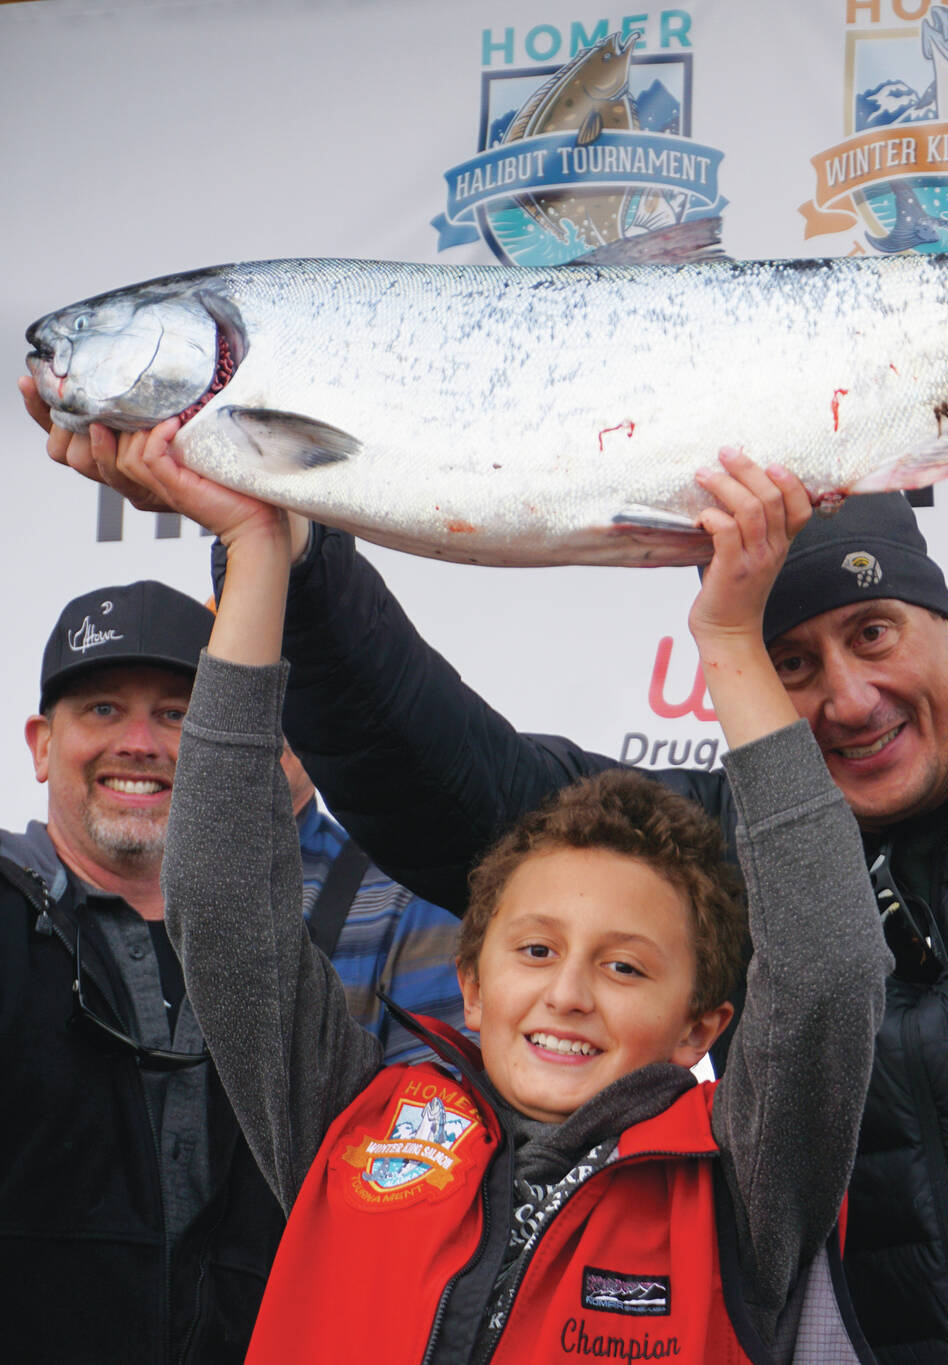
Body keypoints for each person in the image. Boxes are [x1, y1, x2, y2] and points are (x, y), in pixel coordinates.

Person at [27, 191, 948, 1363]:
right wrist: (276, 530)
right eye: (789, 660)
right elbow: (425, 782)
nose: (848, 695)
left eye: (873, 637)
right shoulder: (706, 860)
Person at [141, 435, 890, 1361]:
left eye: (624, 965)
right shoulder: (344, 1118)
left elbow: (828, 967)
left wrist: (732, 640)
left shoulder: (745, 1184)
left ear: (703, 1025)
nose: (567, 991)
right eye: (535, 950)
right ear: (470, 981)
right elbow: (221, 908)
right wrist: (258, 555)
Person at [0, 576, 479, 1363]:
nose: (140, 743)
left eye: (178, 714)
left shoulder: (340, 930)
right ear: (42, 743)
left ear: (230, 745)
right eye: (102, 708)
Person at [282, 738, 468, 1065]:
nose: (249, 715)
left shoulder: (410, 897)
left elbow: (435, 1106)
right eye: (179, 713)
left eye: (281, 693)